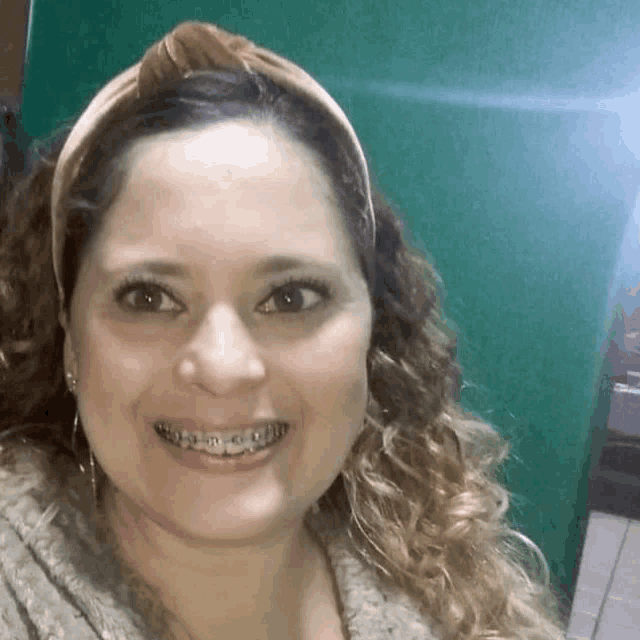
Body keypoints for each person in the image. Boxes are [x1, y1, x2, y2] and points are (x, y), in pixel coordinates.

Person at [0, 20, 568, 640]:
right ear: (71, 340)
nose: (221, 367)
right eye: (149, 297)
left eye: (290, 297)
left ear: (372, 336)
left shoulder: (454, 604)